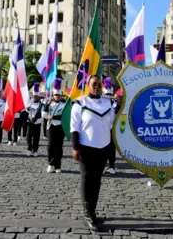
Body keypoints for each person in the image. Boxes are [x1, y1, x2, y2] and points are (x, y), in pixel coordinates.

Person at [71, 75, 115, 232]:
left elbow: (112, 124)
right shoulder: (80, 103)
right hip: (85, 148)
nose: (97, 86)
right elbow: (74, 127)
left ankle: (92, 211)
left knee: (97, 181)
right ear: (88, 85)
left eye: (99, 84)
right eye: (94, 84)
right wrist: (75, 147)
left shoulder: (108, 103)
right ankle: (88, 214)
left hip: (103, 147)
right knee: (87, 180)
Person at [44, 78, 66, 173]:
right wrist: (46, 106)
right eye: (56, 95)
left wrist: (53, 117)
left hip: (60, 127)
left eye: (59, 95)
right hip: (51, 127)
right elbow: (43, 114)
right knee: (50, 146)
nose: (57, 96)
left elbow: (64, 116)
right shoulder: (49, 103)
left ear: (61, 95)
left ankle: (58, 165)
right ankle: (50, 164)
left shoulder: (64, 104)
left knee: (59, 147)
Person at [102, 77, 117, 175]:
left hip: (112, 128)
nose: (108, 96)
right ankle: (102, 166)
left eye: (110, 94)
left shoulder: (116, 104)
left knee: (112, 148)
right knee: (102, 148)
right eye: (107, 94)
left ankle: (112, 166)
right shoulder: (101, 103)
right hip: (102, 128)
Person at [26, 83, 43, 157]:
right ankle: (29, 149)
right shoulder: (30, 102)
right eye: (34, 96)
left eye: (36, 96)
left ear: (38, 97)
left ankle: (35, 150)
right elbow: (26, 109)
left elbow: (41, 112)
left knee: (36, 137)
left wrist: (35, 118)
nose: (35, 97)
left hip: (37, 122)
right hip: (30, 121)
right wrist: (28, 109)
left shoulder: (41, 103)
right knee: (29, 136)